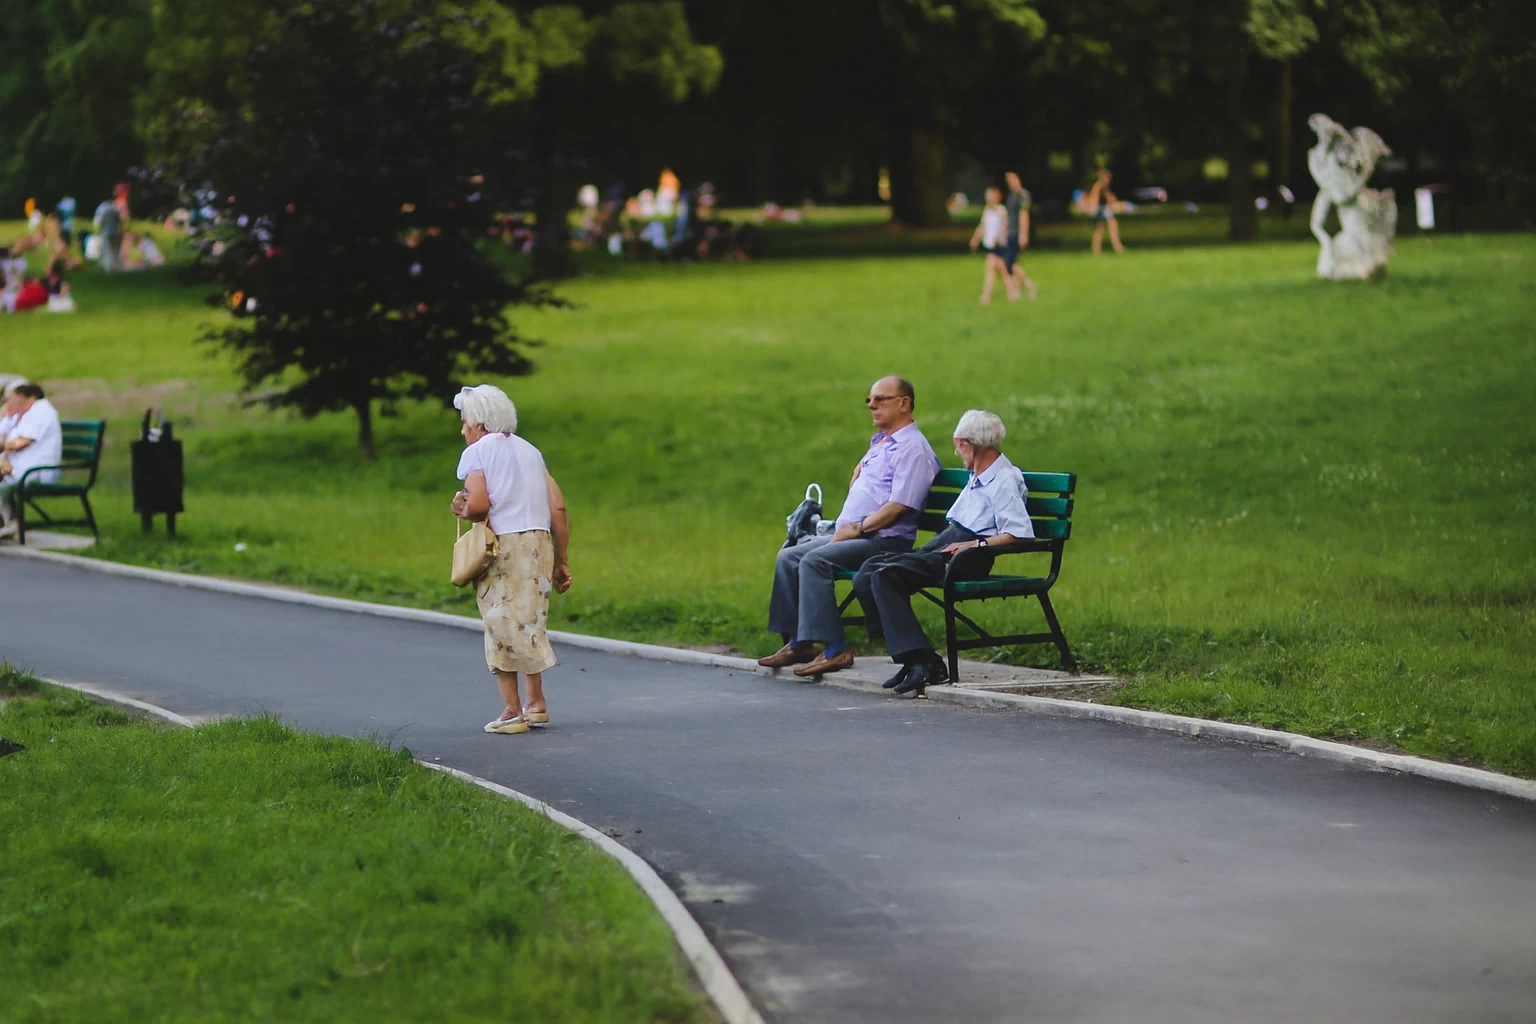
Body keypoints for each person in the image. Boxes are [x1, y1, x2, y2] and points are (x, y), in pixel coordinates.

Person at [759, 376, 941, 678]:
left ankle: (836, 649)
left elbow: (900, 506)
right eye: (869, 400)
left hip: (884, 540)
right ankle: (800, 642)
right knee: (789, 556)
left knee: (815, 561)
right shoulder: (882, 443)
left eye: (880, 399)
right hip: (856, 533)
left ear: (903, 403)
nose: (871, 405)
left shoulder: (913, 449)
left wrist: (857, 529)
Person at [853, 409, 1034, 696]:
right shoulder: (979, 475)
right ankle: (914, 658)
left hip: (967, 557)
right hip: (948, 545)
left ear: (967, 444)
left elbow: (1018, 533)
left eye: (957, 445)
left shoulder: (1004, 479)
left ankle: (922, 661)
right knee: (868, 571)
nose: (956, 452)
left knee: (885, 575)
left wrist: (975, 545)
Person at [450, 384, 573, 735]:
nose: (462, 430)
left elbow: (478, 506)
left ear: (478, 423)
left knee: (500, 623)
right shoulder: (531, 451)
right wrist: (561, 560)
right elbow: (558, 508)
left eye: (464, 422)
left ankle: (511, 712)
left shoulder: (478, 452)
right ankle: (536, 704)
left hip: (503, 546)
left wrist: (461, 507)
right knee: (529, 623)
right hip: (539, 544)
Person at [0, 383, 64, 538]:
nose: (7, 402)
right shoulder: (21, 416)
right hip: (19, 470)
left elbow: (19, 444)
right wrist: (4, 416)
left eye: (10, 398)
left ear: (25, 396)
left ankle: (10, 523)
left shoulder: (41, 411)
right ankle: (9, 523)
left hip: (36, 472)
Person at [968, 186, 1009, 305]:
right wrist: (975, 239)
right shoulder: (987, 211)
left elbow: (1003, 226)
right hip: (990, 244)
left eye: (991, 196)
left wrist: (998, 238)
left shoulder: (1001, 210)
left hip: (998, 245)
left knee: (991, 270)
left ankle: (986, 296)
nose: (988, 198)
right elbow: (982, 226)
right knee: (1002, 271)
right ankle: (1013, 292)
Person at [1001, 172, 1038, 300]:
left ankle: (1029, 285)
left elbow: (1024, 215)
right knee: (1011, 263)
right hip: (1010, 232)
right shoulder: (1011, 196)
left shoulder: (1023, 195)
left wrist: (1023, 234)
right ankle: (1018, 288)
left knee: (1009, 262)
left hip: (1017, 233)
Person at [1084, 169, 1126, 255]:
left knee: (1105, 227)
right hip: (1098, 210)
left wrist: (1112, 201)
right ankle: (1115, 248)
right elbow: (1094, 197)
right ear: (1103, 178)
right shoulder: (1098, 186)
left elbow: (1109, 197)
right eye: (1108, 178)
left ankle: (1114, 248)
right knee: (1103, 228)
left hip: (1102, 209)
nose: (1109, 180)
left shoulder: (1104, 187)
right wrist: (1093, 209)